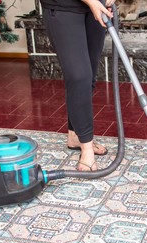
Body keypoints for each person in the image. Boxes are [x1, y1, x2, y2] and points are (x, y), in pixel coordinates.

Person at [39, 0, 115, 171]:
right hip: (63, 8)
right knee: (79, 76)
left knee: (88, 77)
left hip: (92, 8)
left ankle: (75, 136)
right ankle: (87, 149)